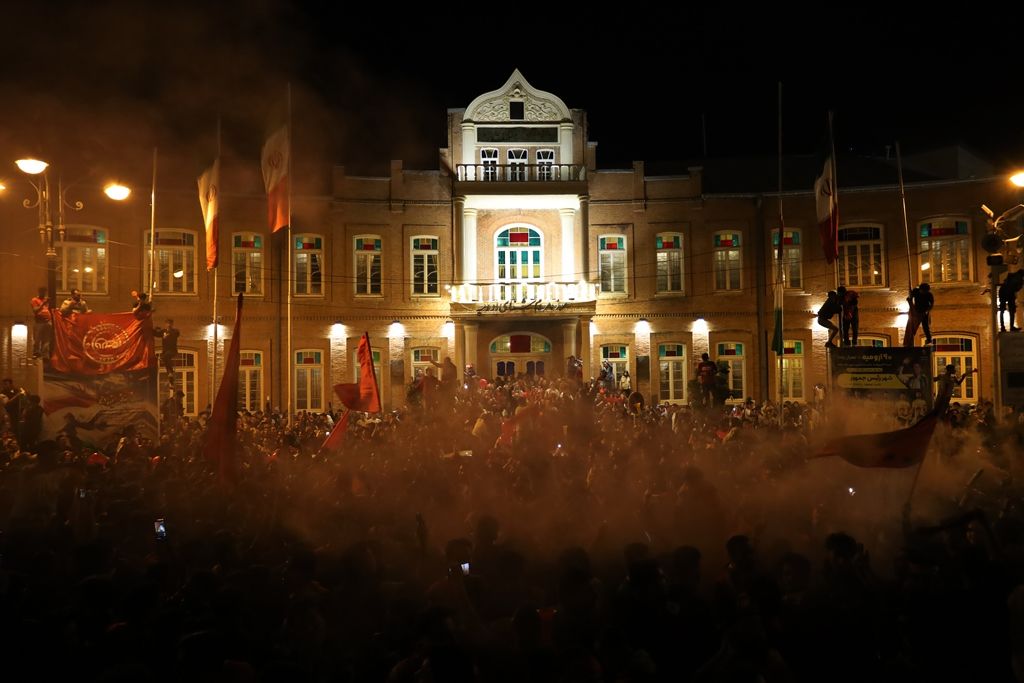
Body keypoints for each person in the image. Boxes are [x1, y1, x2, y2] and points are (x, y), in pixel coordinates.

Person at [30, 286, 52, 358]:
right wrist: (43, 303)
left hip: (47, 322)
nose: (44, 294)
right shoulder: (34, 300)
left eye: (45, 292)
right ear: (39, 292)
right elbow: (35, 310)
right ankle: (36, 353)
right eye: (42, 292)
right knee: (37, 339)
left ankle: (45, 355)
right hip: (39, 322)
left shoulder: (46, 300)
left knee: (46, 340)